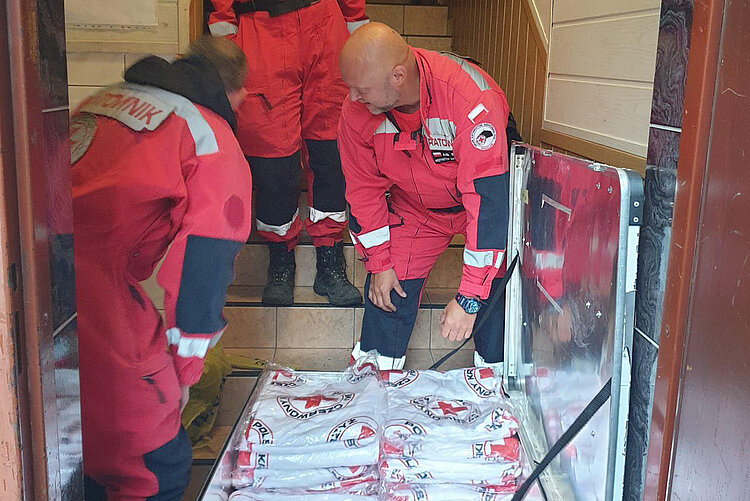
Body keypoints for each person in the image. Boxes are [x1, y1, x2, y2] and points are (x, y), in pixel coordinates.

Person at [71, 37, 252, 500]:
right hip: (96, 293)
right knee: (154, 466)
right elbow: (205, 263)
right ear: (238, 95)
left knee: (72, 452)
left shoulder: (105, 99)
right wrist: (183, 374)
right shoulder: (208, 134)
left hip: (30, 272)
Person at [338, 23, 515, 370]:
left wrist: (468, 298)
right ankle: (372, 386)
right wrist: (379, 263)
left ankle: (494, 386)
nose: (353, 98)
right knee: (385, 293)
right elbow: (362, 192)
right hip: (416, 209)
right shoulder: (356, 113)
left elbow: (488, 204)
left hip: (476, 206)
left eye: (361, 89)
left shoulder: (470, 100)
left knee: (493, 292)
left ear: (398, 76)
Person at [207, 0, 367, 306]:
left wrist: (355, 21)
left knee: (330, 150)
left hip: (324, 23)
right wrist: (226, 40)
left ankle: (330, 258)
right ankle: (280, 259)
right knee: (274, 162)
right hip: (260, 28)